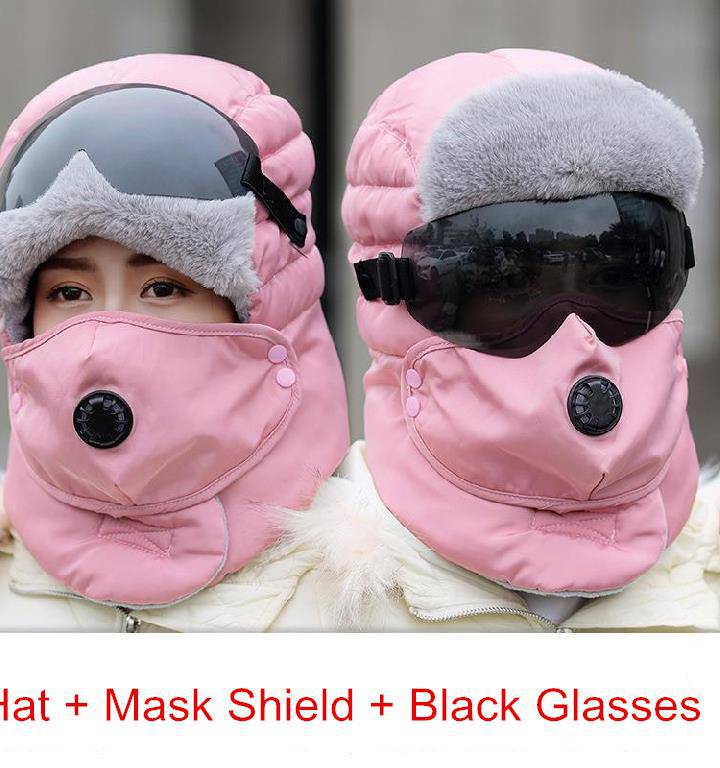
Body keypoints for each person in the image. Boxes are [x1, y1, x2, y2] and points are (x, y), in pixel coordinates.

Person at [298, 48, 720, 631]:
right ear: (391, 288)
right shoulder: (294, 618)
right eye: (510, 283)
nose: (579, 340)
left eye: (614, 277)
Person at [0, 53, 349, 631]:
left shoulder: (388, 605)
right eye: (69, 292)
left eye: (162, 288)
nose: (107, 337)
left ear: (263, 309)